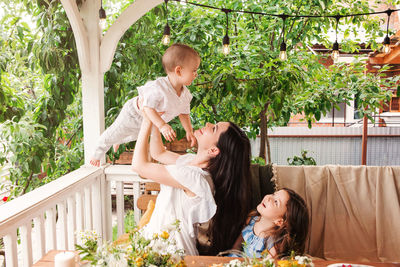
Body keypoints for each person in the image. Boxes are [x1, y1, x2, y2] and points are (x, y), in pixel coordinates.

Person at [131, 115, 252, 256]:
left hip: (173, 257)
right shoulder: (190, 162)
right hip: (156, 249)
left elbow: (138, 166)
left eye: (213, 128)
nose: (207, 123)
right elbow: (158, 153)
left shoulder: (196, 179)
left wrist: (147, 118)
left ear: (213, 150)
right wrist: (155, 118)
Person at [90, 43, 200, 166]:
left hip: (150, 121)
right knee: (112, 134)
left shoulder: (186, 95)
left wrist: (189, 131)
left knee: (135, 136)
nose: (196, 74)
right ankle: (96, 154)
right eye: (194, 70)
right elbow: (147, 108)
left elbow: (184, 114)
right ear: (179, 71)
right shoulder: (158, 88)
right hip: (133, 114)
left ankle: (119, 141)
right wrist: (162, 126)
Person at [229, 188, 309, 258]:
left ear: (279, 221)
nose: (269, 197)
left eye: (276, 202)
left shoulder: (275, 245)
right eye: (273, 194)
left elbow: (267, 264)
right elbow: (235, 248)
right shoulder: (250, 220)